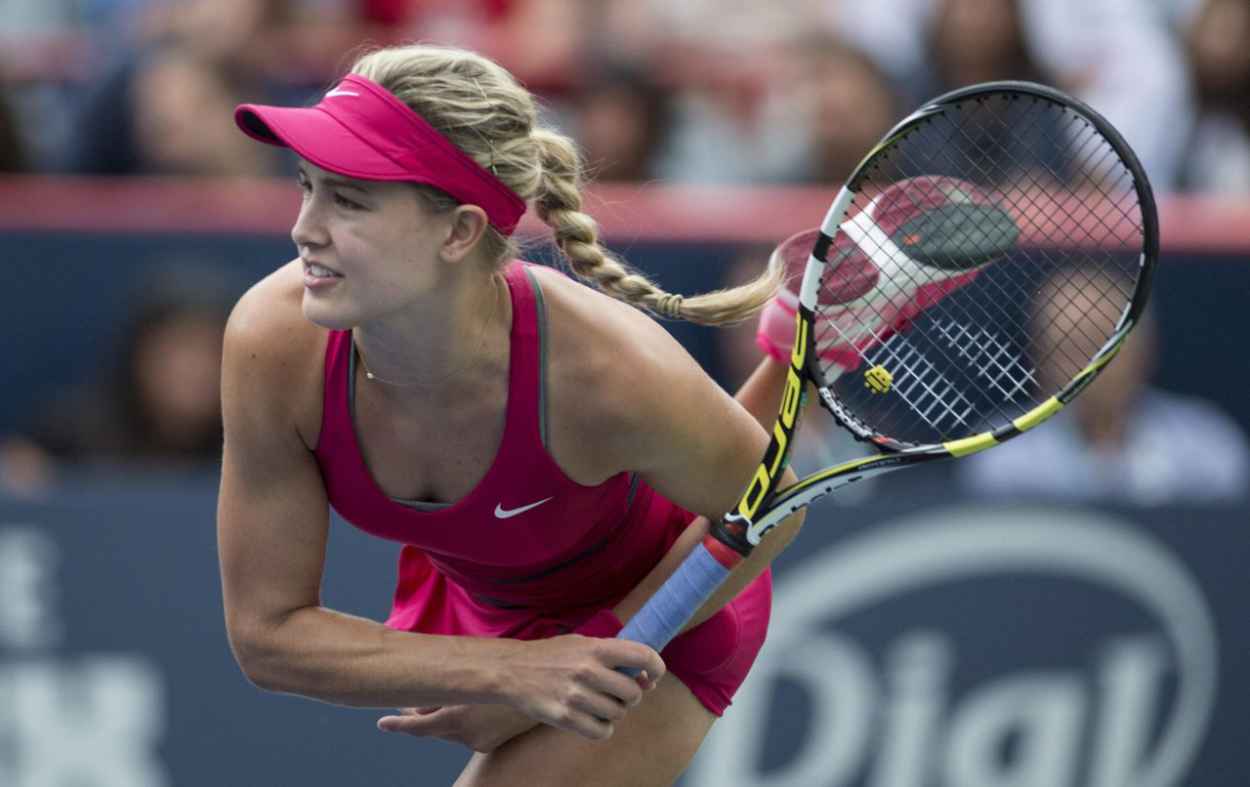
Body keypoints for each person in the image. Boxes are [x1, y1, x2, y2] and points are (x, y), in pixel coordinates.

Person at [218, 43, 803, 786]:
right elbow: (267, 635)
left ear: (459, 232)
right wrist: (510, 672)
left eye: (350, 200)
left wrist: (552, 670)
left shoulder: (602, 371)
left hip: (665, 614)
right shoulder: (272, 343)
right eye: (307, 187)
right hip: (498, 601)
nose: (306, 228)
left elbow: (770, 507)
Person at [958, 267, 1250, 504]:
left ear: (1143, 349)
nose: (1088, 369)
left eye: (1100, 346)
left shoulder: (1209, 448)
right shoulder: (1005, 457)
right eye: (1068, 349)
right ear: (1039, 362)